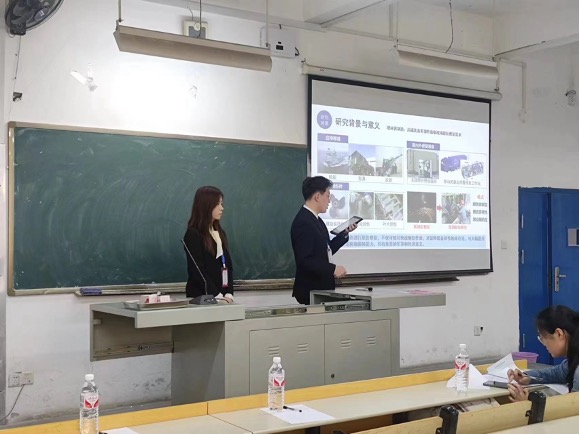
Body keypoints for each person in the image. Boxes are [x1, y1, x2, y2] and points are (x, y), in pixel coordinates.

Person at [290, 176, 357, 305]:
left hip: (320, 289)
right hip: (311, 291)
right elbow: (305, 260)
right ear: (317, 196)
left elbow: (326, 249)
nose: (329, 201)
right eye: (328, 196)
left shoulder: (316, 220)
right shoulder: (303, 222)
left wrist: (344, 234)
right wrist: (333, 269)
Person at [507, 305, 578, 401]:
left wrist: (527, 403)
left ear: (559, 334)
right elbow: (557, 373)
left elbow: (572, 407)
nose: (543, 344)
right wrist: (528, 377)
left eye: (542, 337)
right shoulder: (573, 360)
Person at [183, 186, 234, 303]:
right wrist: (217, 295)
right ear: (206, 206)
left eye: (221, 204)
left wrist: (229, 293)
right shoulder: (193, 234)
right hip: (202, 297)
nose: (222, 208)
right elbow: (198, 270)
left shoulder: (220, 232)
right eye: (217, 204)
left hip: (223, 297)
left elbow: (228, 266)